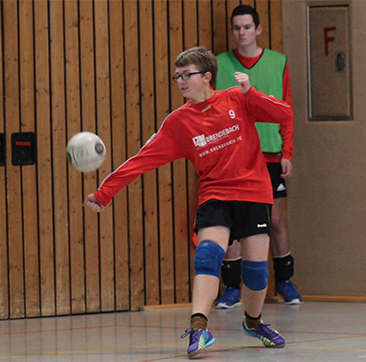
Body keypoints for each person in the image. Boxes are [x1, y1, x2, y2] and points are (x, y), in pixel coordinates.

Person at [83, 47, 292, 358]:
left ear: (206, 77)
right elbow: (141, 160)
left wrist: (253, 93)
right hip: (215, 194)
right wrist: (104, 193)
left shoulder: (237, 98)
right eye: (177, 76)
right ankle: (199, 328)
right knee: (208, 256)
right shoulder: (178, 122)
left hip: (252, 191)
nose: (180, 81)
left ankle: (253, 322)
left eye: (187, 75)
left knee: (257, 274)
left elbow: (284, 114)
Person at [214, 4, 302, 308]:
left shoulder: (278, 62)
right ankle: (232, 288)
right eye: (236, 28)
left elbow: (287, 110)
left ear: (258, 29)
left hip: (271, 154)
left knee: (275, 219)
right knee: (235, 222)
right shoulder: (219, 64)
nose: (241, 33)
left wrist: (287, 151)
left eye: (247, 27)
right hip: (233, 157)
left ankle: (285, 283)